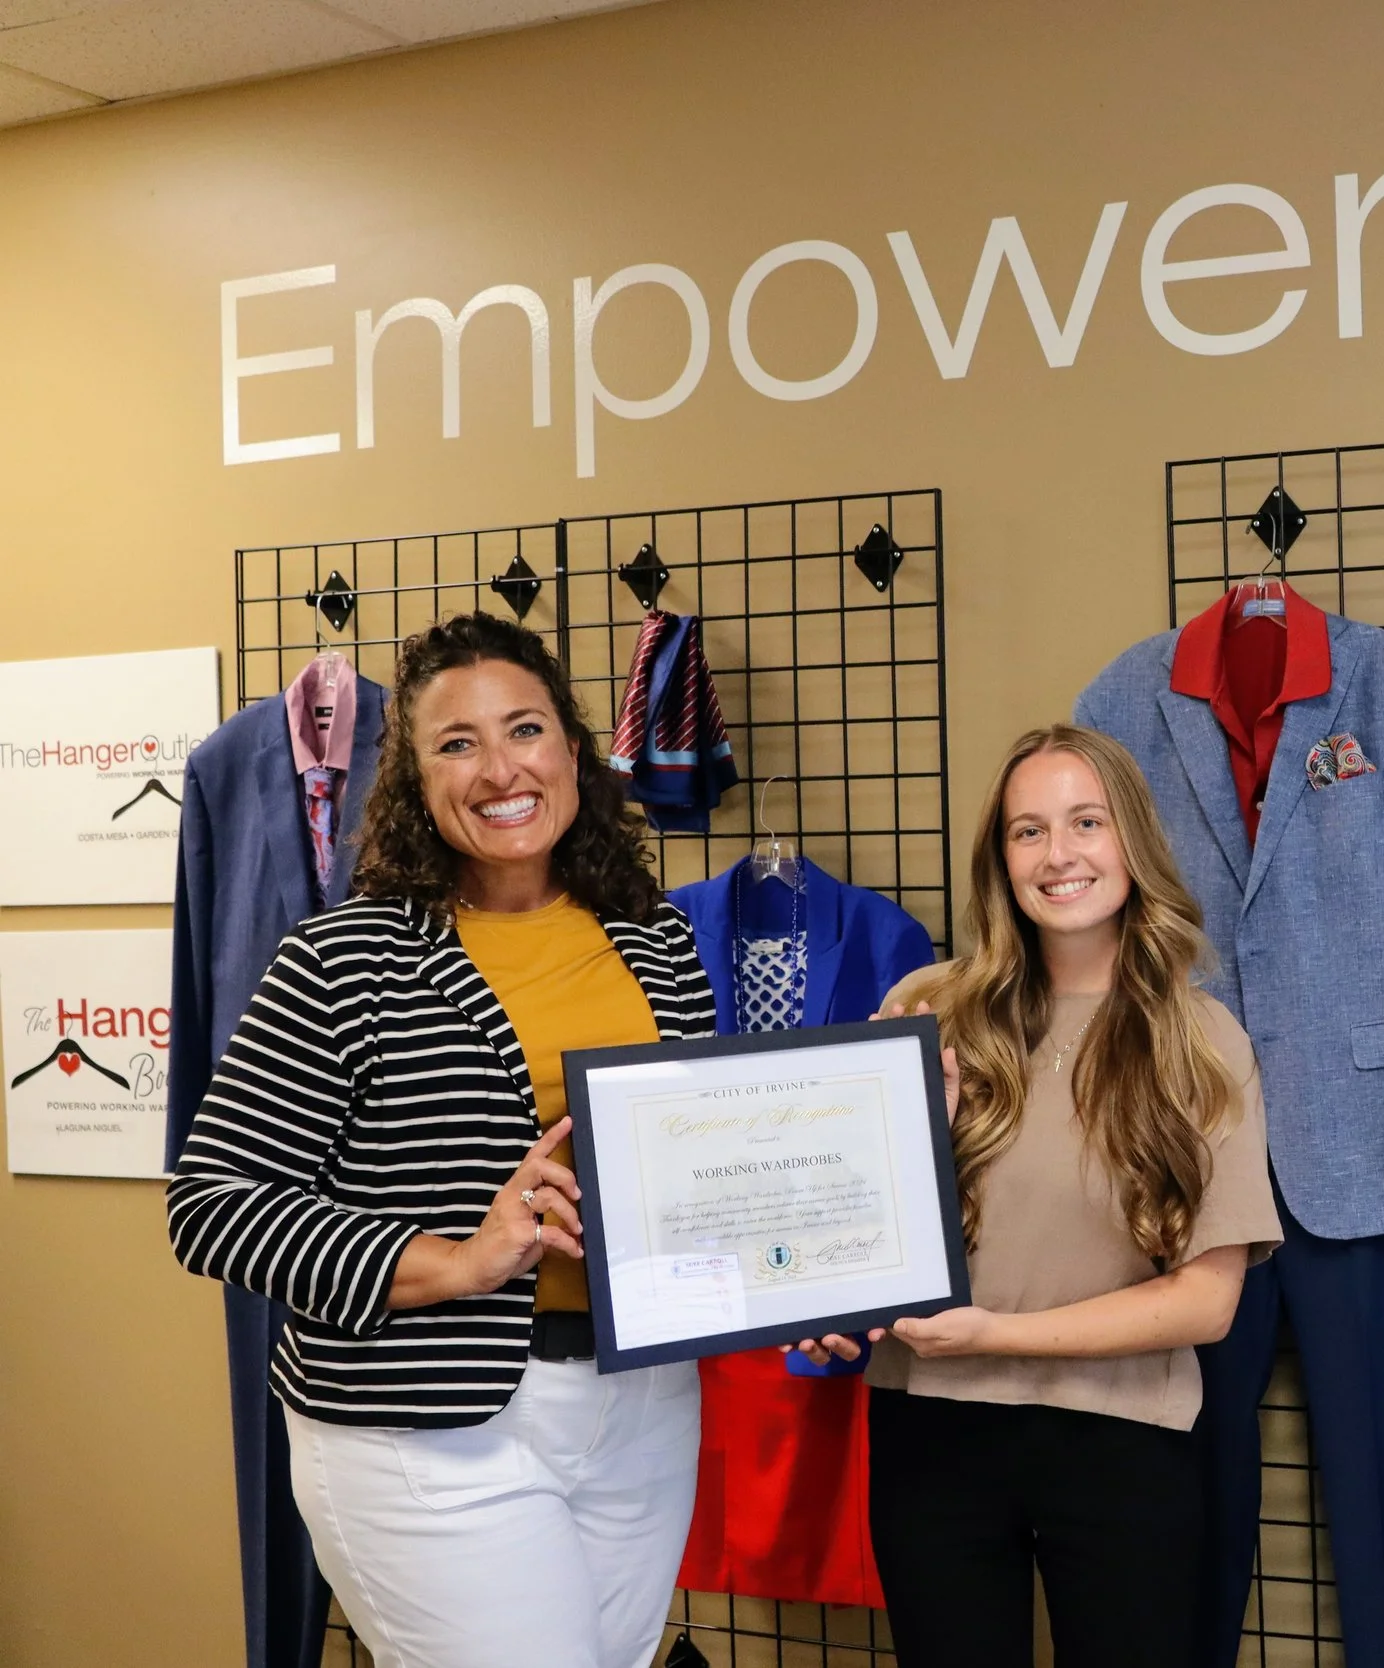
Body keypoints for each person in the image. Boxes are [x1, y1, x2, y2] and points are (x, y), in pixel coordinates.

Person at [166, 613, 717, 1668]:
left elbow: (695, 1162)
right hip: (425, 1431)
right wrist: (457, 1260)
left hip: (640, 1410)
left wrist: (807, 1276)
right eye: (456, 744)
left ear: (572, 749)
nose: (499, 769)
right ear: (411, 780)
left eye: (525, 729)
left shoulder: (658, 937)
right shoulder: (344, 959)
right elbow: (213, 1204)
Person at [794, 723, 1282, 1668]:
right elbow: (853, 1228)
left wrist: (995, 1336)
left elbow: (1208, 1302)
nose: (1058, 855)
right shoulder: (922, 1008)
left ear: (1132, 841)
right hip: (930, 1436)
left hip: (1123, 1441)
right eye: (1028, 831)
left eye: (1085, 823)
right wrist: (831, 1307)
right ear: (1000, 858)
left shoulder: (1201, 1037)